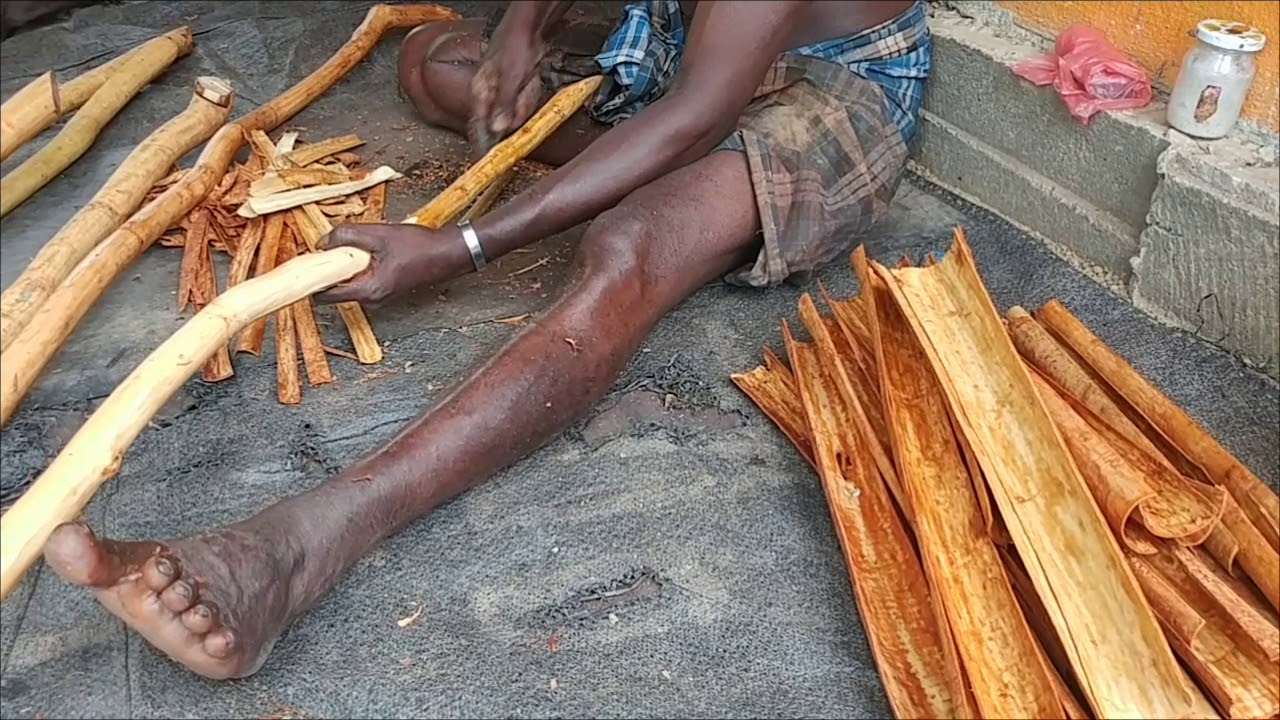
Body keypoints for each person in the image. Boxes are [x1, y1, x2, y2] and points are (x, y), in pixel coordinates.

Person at [42, 0, 932, 680]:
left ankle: (299, 548)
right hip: (688, 49)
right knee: (440, 63)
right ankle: (637, 157)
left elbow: (701, 111)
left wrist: (466, 245)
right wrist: (519, 29)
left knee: (629, 248)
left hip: (823, 96)